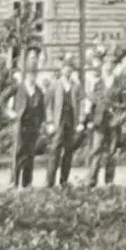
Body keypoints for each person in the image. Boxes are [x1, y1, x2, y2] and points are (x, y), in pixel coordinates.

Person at [84, 38, 126, 187]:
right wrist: (89, 120)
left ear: (113, 67)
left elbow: (125, 104)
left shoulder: (118, 85)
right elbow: (92, 104)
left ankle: (109, 181)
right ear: (102, 67)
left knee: (112, 151)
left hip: (113, 122)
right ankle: (91, 180)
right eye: (106, 64)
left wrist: (119, 117)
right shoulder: (98, 84)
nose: (107, 67)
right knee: (96, 150)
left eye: (110, 64)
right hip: (99, 122)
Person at [6, 56, 47, 188]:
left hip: (33, 126)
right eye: (30, 73)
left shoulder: (39, 91)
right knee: (18, 153)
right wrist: (10, 112)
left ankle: (27, 183)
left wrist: (42, 124)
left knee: (30, 154)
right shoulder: (18, 88)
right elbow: (2, 99)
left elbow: (42, 110)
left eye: (34, 74)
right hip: (20, 125)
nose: (32, 76)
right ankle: (14, 182)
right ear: (26, 74)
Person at [43, 59, 83, 188]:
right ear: (61, 70)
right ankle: (49, 182)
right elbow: (48, 105)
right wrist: (50, 122)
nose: (68, 70)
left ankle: (64, 181)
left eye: (70, 68)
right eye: (66, 68)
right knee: (55, 150)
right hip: (58, 121)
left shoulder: (76, 86)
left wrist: (80, 121)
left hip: (71, 121)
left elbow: (81, 103)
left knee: (68, 151)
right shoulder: (55, 85)